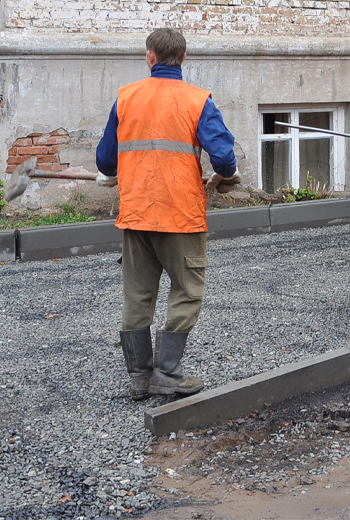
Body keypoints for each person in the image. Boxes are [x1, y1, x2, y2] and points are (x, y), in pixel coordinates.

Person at [96, 28, 238, 400]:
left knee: (137, 295)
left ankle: (140, 378)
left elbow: (105, 160)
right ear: (184, 59)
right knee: (188, 290)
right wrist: (223, 175)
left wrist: (113, 173)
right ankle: (168, 372)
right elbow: (223, 157)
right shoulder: (198, 100)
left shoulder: (126, 98)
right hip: (181, 215)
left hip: (137, 213)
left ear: (150, 56)